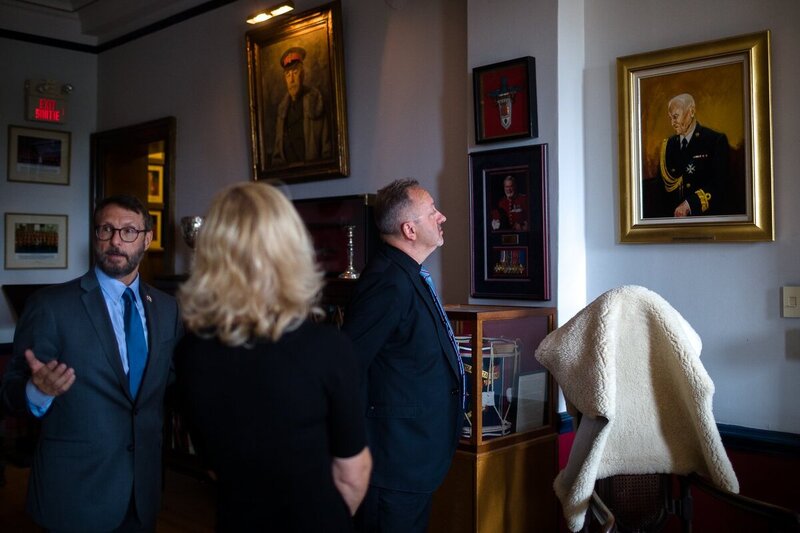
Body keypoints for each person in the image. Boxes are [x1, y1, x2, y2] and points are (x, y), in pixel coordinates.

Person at [175, 182, 371, 532]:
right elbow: (353, 474)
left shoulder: (191, 353)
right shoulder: (328, 349)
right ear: (291, 249)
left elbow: (213, 465)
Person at [0, 194, 183, 531]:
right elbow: (9, 391)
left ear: (147, 238)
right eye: (106, 230)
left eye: (128, 231)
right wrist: (36, 391)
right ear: (95, 234)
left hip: (141, 495)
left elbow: (169, 384)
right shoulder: (51, 306)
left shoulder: (167, 309)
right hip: (73, 495)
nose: (115, 240)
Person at [342, 178, 465, 533]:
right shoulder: (387, 281)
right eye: (432, 212)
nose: (441, 217)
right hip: (393, 462)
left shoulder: (408, 274)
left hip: (416, 459)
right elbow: (347, 364)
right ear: (409, 229)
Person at [659, 93, 730, 217]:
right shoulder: (668, 145)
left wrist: (690, 204)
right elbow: (660, 187)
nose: (672, 122)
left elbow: (720, 183)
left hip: (704, 217)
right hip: (671, 221)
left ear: (691, 112)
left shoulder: (714, 140)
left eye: (675, 117)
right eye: (670, 117)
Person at [272, 46, 332, 165]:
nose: (292, 80)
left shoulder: (316, 102)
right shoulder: (282, 110)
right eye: (288, 75)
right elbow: (277, 152)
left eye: (295, 72)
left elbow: (327, 147)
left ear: (303, 74)